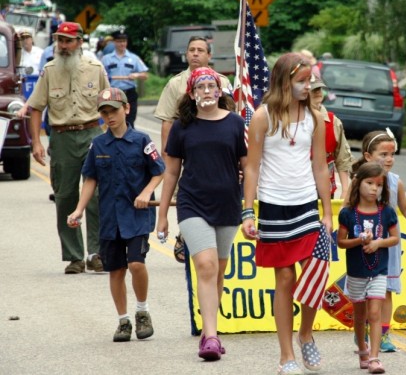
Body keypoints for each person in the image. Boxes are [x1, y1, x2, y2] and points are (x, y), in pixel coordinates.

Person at [241, 52, 333, 375]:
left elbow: (320, 166)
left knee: (314, 273)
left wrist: (328, 212)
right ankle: (286, 356)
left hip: (307, 204)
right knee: (284, 278)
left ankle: (306, 333)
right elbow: (251, 168)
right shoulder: (262, 117)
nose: (308, 87)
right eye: (302, 81)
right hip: (273, 207)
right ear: (284, 81)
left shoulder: (316, 117)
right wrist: (247, 213)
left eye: (310, 81)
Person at [156, 67, 247, 361]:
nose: (207, 91)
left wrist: (249, 207)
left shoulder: (235, 123)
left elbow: (249, 168)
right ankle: (210, 337)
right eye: (201, 87)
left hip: (227, 205)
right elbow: (171, 172)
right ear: (192, 93)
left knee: (217, 271)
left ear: (220, 92)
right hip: (192, 203)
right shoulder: (183, 126)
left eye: (212, 86)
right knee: (206, 266)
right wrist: (162, 215)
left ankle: (212, 327)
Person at [68, 88, 165, 342]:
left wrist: (147, 192)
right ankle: (123, 320)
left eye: (114, 110)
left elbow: (159, 171)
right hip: (110, 218)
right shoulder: (98, 145)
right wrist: (79, 209)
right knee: (116, 270)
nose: (109, 116)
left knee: (136, 263)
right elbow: (90, 179)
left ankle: (142, 311)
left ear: (127, 109)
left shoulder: (143, 141)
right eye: (104, 112)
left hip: (137, 216)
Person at [27, 21, 110, 274]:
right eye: (60, 40)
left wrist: (112, 137)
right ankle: (74, 256)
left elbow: (110, 103)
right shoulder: (50, 71)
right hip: (62, 137)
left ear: (79, 42)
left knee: (96, 195)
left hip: (92, 134)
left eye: (68, 40)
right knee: (65, 196)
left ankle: (96, 253)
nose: (63, 45)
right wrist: (37, 142)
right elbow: (36, 108)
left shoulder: (95, 68)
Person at [346, 129, 406, 353]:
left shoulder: (395, 182)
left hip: (388, 242)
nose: (389, 159)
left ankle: (383, 334)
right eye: (383, 154)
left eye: (392, 154)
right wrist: (353, 231)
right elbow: (346, 208)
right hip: (363, 242)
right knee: (362, 291)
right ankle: (361, 332)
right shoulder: (358, 181)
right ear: (368, 156)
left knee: (386, 289)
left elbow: (405, 207)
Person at [154, 36, 232, 263]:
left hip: (217, 149)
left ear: (209, 55)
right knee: (184, 193)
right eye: (191, 50)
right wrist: (167, 152)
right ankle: (186, 233)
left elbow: (231, 115)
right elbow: (168, 121)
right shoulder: (176, 84)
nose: (195, 54)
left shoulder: (222, 83)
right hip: (187, 148)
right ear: (186, 55)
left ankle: (199, 238)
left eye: (200, 50)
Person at [337, 162, 400, 374]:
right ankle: (362, 349)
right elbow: (341, 242)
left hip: (378, 271)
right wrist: (359, 241)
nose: (374, 188)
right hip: (356, 271)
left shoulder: (387, 212)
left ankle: (374, 358)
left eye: (379, 184)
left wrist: (377, 243)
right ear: (358, 184)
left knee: (375, 313)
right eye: (370, 183)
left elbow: (395, 238)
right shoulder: (348, 213)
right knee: (360, 314)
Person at [308, 74, 352, 198]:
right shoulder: (292, 120)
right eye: (313, 90)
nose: (318, 92)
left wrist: (344, 190)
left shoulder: (333, 122)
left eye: (319, 89)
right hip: (297, 188)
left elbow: (342, 157)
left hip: (324, 191)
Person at [101, 30, 149, 127]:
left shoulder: (134, 58)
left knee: (129, 121)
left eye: (124, 41)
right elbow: (100, 75)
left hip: (129, 94)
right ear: (114, 42)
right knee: (113, 121)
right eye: (119, 41)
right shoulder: (106, 59)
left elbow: (145, 75)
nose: (122, 44)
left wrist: (137, 75)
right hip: (113, 94)